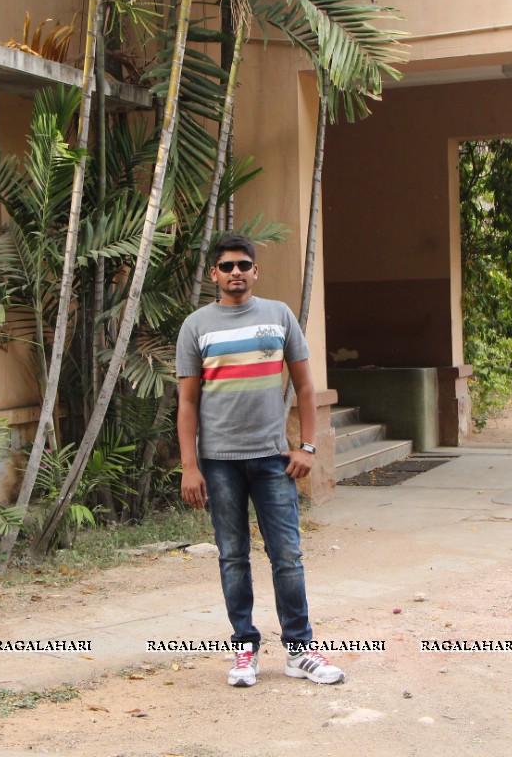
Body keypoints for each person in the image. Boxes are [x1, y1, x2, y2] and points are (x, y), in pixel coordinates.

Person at [175, 232, 344, 687]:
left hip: (273, 459)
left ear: (255, 270)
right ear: (214, 273)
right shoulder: (196, 326)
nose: (236, 273)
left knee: (287, 555)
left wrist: (307, 447)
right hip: (219, 462)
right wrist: (190, 466)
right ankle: (244, 650)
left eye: (243, 265)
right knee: (233, 556)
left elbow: (306, 388)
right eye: (227, 266)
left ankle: (300, 650)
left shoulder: (279, 316)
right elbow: (187, 403)